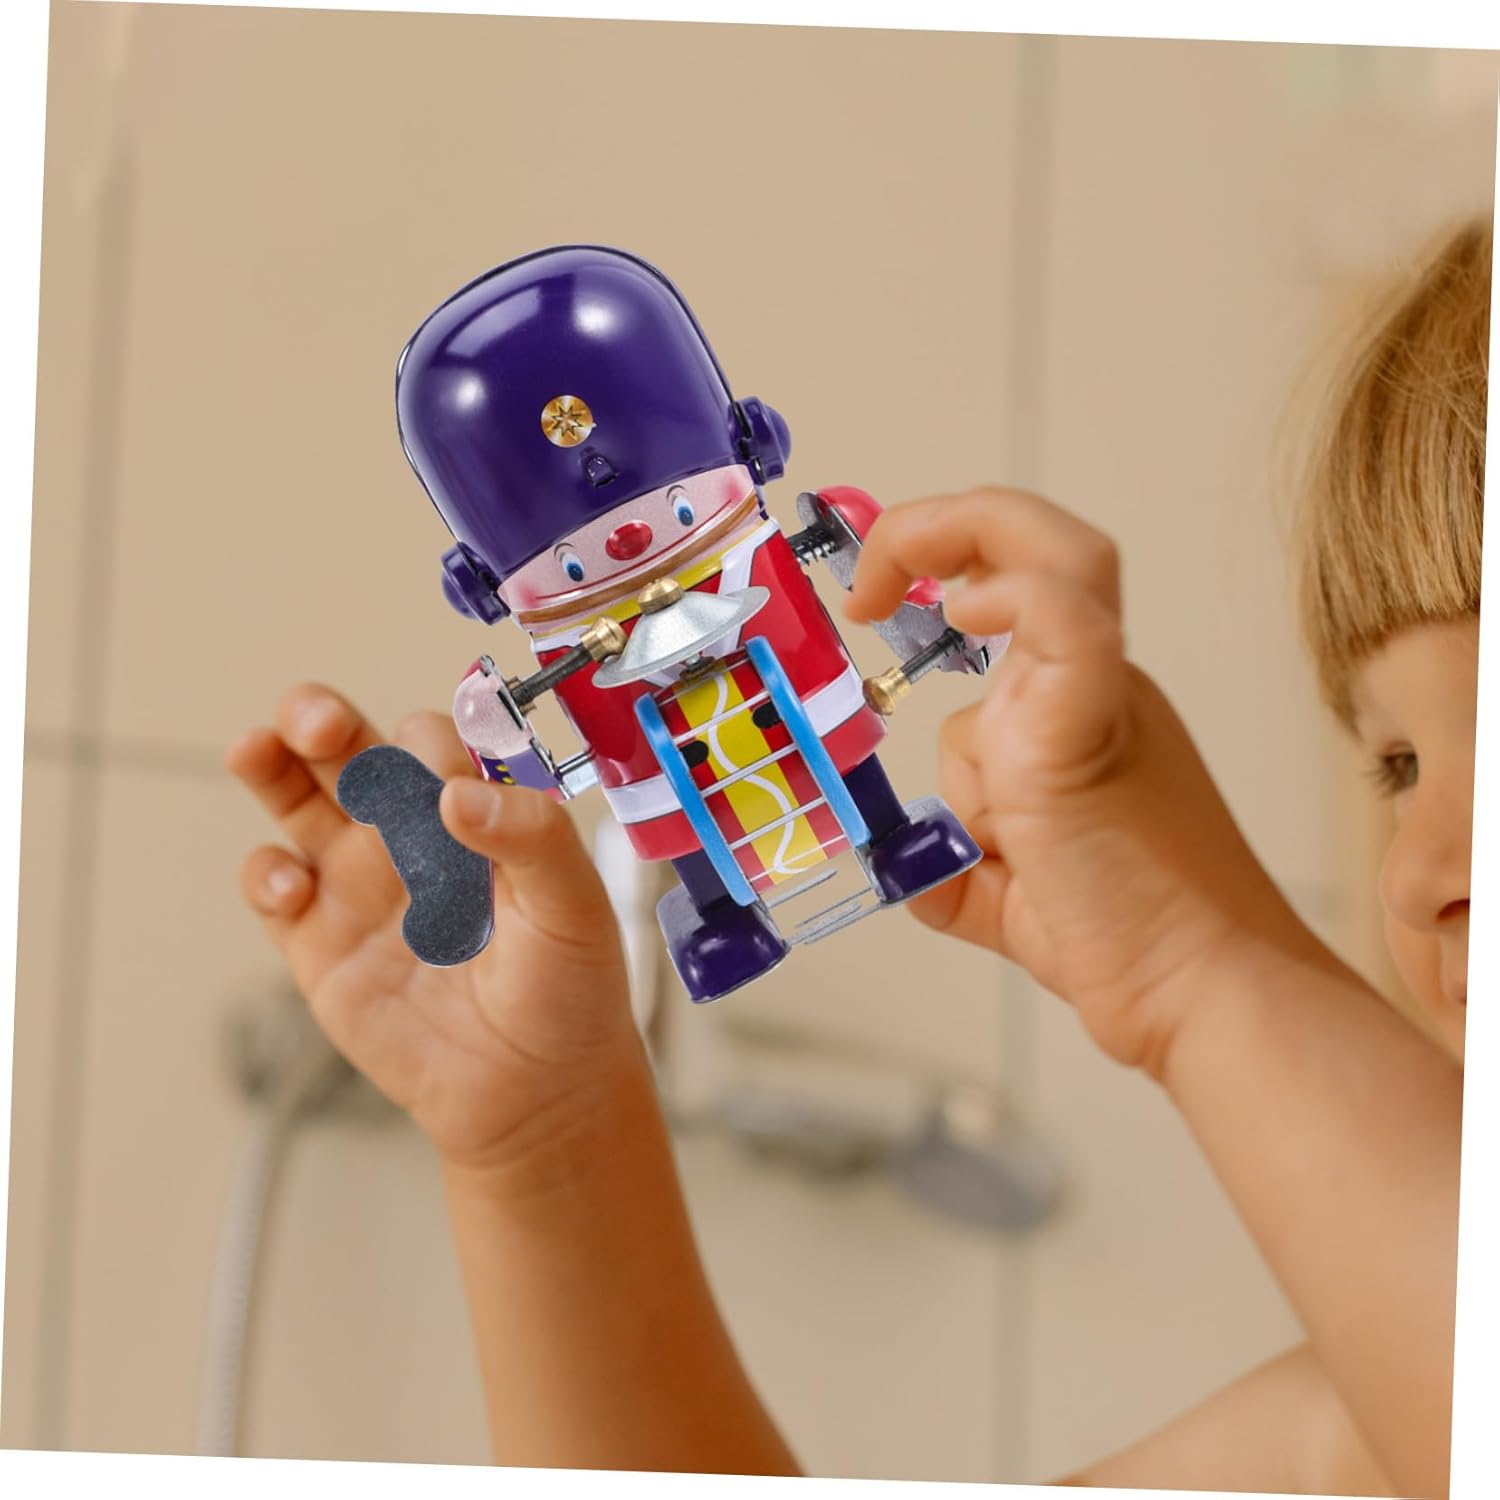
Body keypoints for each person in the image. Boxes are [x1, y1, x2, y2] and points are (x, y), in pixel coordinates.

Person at [225, 219, 1485, 1495]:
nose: (1417, 870)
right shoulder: (1363, 1433)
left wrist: (1197, 964)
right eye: (1399, 764)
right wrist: (550, 1148)